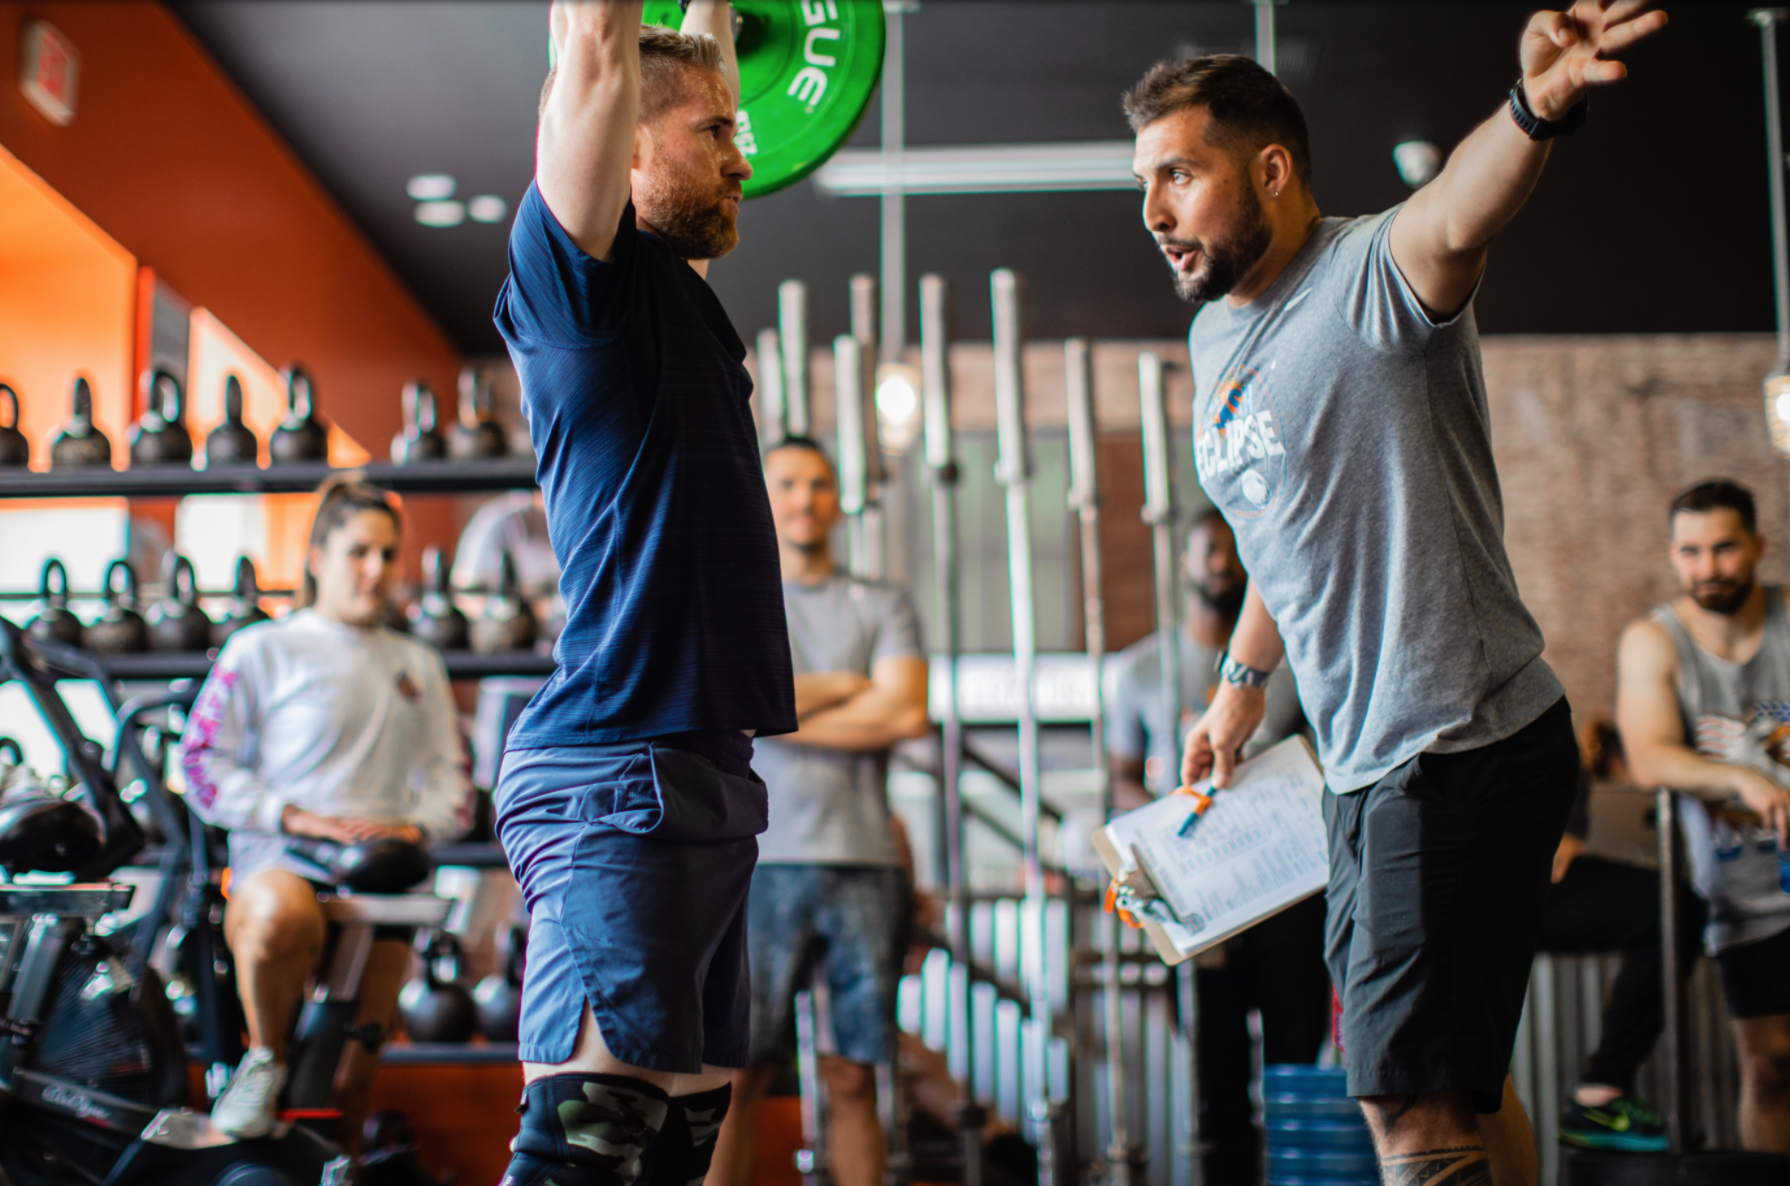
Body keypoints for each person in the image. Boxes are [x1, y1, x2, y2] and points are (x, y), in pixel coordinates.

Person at [1136, 6, 1668, 1181]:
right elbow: (1274, 527)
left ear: (1269, 170)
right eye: (1143, 182)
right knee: (1452, 1087)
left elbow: (1460, 206)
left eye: (1178, 174)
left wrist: (1533, 107)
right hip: (1367, 763)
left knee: (1404, 1107)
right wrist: (1237, 688)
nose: (1152, 212)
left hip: (1454, 740)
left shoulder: (1369, 273)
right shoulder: (1215, 342)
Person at [490, 4, 797, 1184]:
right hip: (612, 775)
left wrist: (709, 37)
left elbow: (685, 63)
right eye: (715, 130)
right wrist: (613, 50)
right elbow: (600, 47)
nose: (742, 152)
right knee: (582, 1156)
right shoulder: (579, 290)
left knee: (671, 1153)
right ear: (619, 144)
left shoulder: (678, 291)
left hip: (706, 778)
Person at [180, 479, 471, 1145]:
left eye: (388, 554)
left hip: (383, 877)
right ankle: (265, 1060)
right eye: (358, 552)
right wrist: (294, 817)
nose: (375, 570)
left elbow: (453, 783)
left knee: (347, 1091)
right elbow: (198, 765)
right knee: (281, 916)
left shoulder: (417, 662)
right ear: (316, 555)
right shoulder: (263, 649)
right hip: (286, 858)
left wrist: (414, 827)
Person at [708, 437, 930, 1186]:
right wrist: (849, 684)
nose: (805, 498)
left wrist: (787, 705)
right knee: (737, 1079)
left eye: (819, 484)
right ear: (764, 498)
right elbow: (729, 710)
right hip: (759, 865)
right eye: (789, 483)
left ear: (838, 499)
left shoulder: (882, 600)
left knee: (854, 1076)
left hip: (866, 865)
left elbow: (905, 714)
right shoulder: (738, 601)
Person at [1107, 509, 1324, 1185]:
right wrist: (1162, 838)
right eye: (1208, 551)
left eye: (1233, 551)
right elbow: (1120, 776)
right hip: (1199, 898)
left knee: (1296, 1064)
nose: (1222, 564)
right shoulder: (1139, 669)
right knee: (1214, 1074)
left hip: (1288, 891)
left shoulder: (1293, 656)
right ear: (1184, 563)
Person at [1616, 478, 1790, 1154]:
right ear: (1672, 555)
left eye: (1724, 548)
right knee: (1771, 1068)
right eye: (1690, 552)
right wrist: (1742, 778)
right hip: (1739, 897)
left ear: (1757, 546)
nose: (1708, 567)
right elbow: (1650, 757)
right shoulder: (1654, 641)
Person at [1542, 719, 1704, 1151]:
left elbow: (1556, 735)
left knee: (1670, 909)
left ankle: (1601, 1095)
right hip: (1434, 878)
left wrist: (1569, 826)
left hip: (1520, 874)